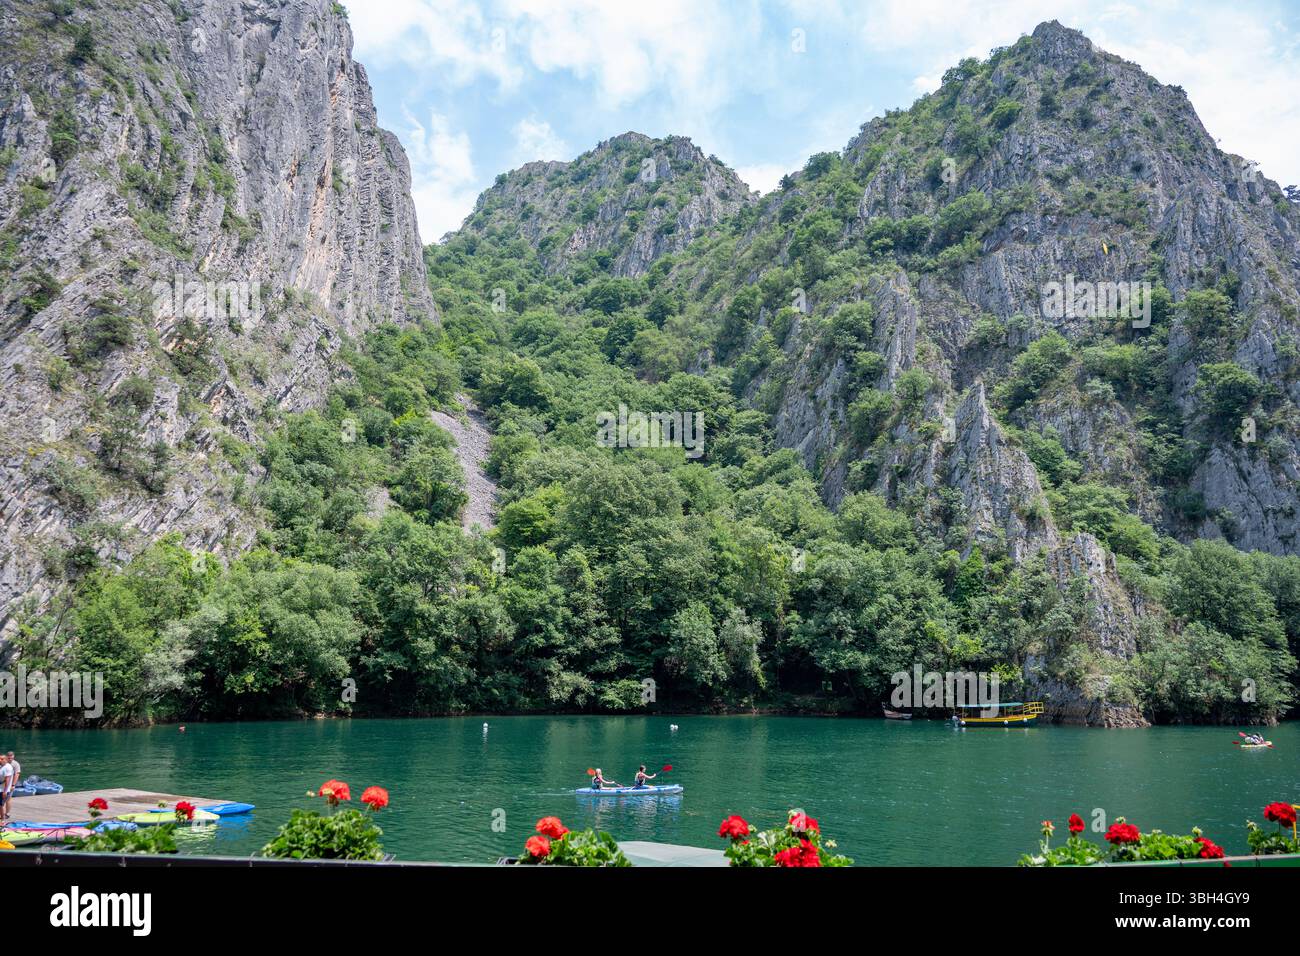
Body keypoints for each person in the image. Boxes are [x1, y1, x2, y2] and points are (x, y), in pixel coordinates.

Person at [5, 751, 19, 820]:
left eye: (11, 758)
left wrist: (13, 785)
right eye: (9, 758)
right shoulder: (3, 762)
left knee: (8, 799)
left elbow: (17, 774)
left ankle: (7, 813)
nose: (10, 759)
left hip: (10, 784)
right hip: (3, 783)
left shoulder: (15, 764)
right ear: (6, 757)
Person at [0, 755, 12, 823]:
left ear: (6, 759)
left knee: (1, 805)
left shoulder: (8, 767)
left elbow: (7, 780)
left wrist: (5, 791)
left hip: (3, 790)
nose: (0, 760)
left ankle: (2, 820)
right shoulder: (1, 766)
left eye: (2, 759)